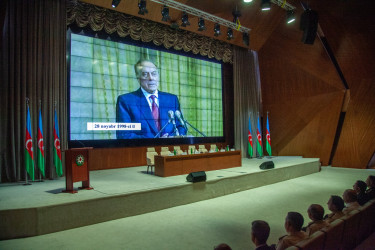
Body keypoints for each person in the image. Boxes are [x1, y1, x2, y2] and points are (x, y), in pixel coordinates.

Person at [116, 59, 186, 139]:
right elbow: (124, 135)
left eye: (154, 74)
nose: (151, 78)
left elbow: (181, 126)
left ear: (158, 76)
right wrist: (156, 141)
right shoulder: (126, 101)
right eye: (145, 74)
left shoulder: (172, 99)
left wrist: (171, 138)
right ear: (138, 77)